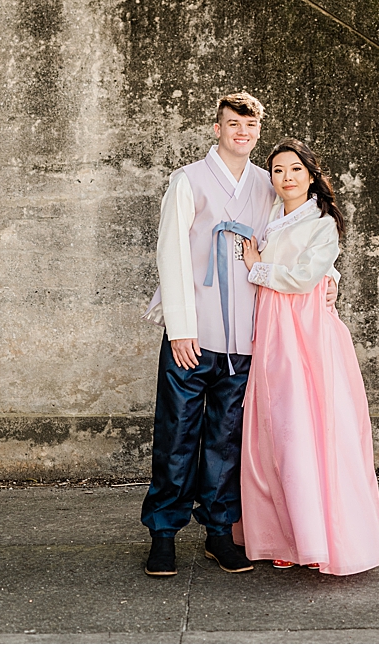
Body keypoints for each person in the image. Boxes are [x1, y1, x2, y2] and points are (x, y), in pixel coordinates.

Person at [239, 138, 379, 576]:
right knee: (273, 430)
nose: (286, 178)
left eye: (294, 170)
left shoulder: (322, 221)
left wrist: (258, 267)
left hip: (304, 333)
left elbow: (307, 274)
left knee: (303, 430)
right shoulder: (271, 213)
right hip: (271, 328)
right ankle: (280, 533)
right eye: (278, 171)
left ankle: (312, 537)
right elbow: (315, 268)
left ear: (310, 175)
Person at [141, 92, 276, 577]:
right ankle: (163, 533)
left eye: (250, 124)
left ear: (258, 130)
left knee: (226, 437)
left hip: (246, 334)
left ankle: (220, 531)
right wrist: (179, 327)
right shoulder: (188, 180)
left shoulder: (267, 184)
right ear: (216, 129)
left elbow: (296, 237)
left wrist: (331, 282)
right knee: (177, 433)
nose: (242, 131)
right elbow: (171, 253)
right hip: (194, 333)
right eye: (232, 123)